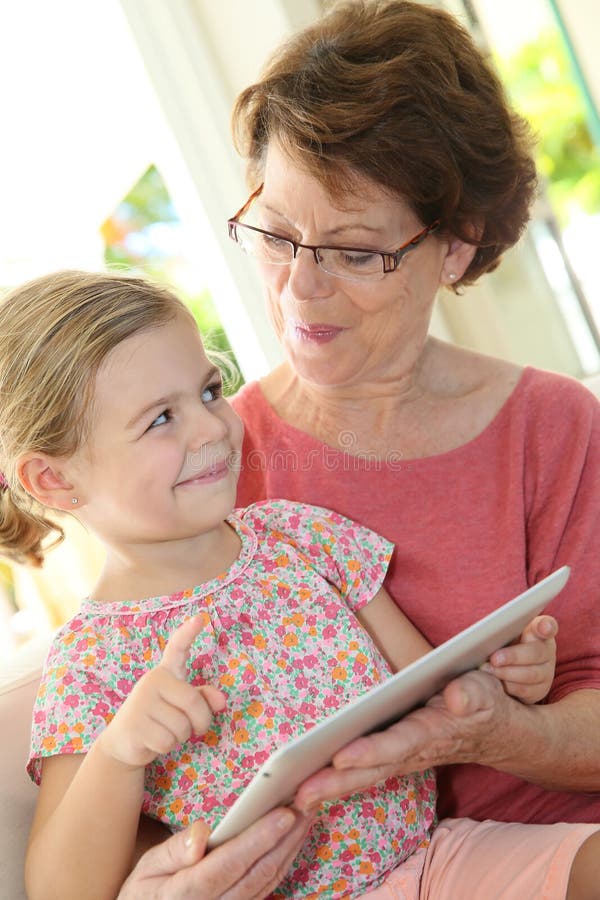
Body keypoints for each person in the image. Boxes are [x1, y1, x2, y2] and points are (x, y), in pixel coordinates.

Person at [0, 270, 592, 900]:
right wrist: (119, 753)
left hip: (437, 858)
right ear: (53, 481)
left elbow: (431, 690)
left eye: (207, 391)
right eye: (161, 419)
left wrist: (504, 680)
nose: (210, 428)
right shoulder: (89, 664)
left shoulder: (297, 535)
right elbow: (59, 890)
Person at [226, 0, 600, 834]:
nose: (301, 288)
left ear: (457, 245)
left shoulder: (555, 429)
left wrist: (502, 733)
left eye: (356, 252)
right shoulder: (212, 459)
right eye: (276, 234)